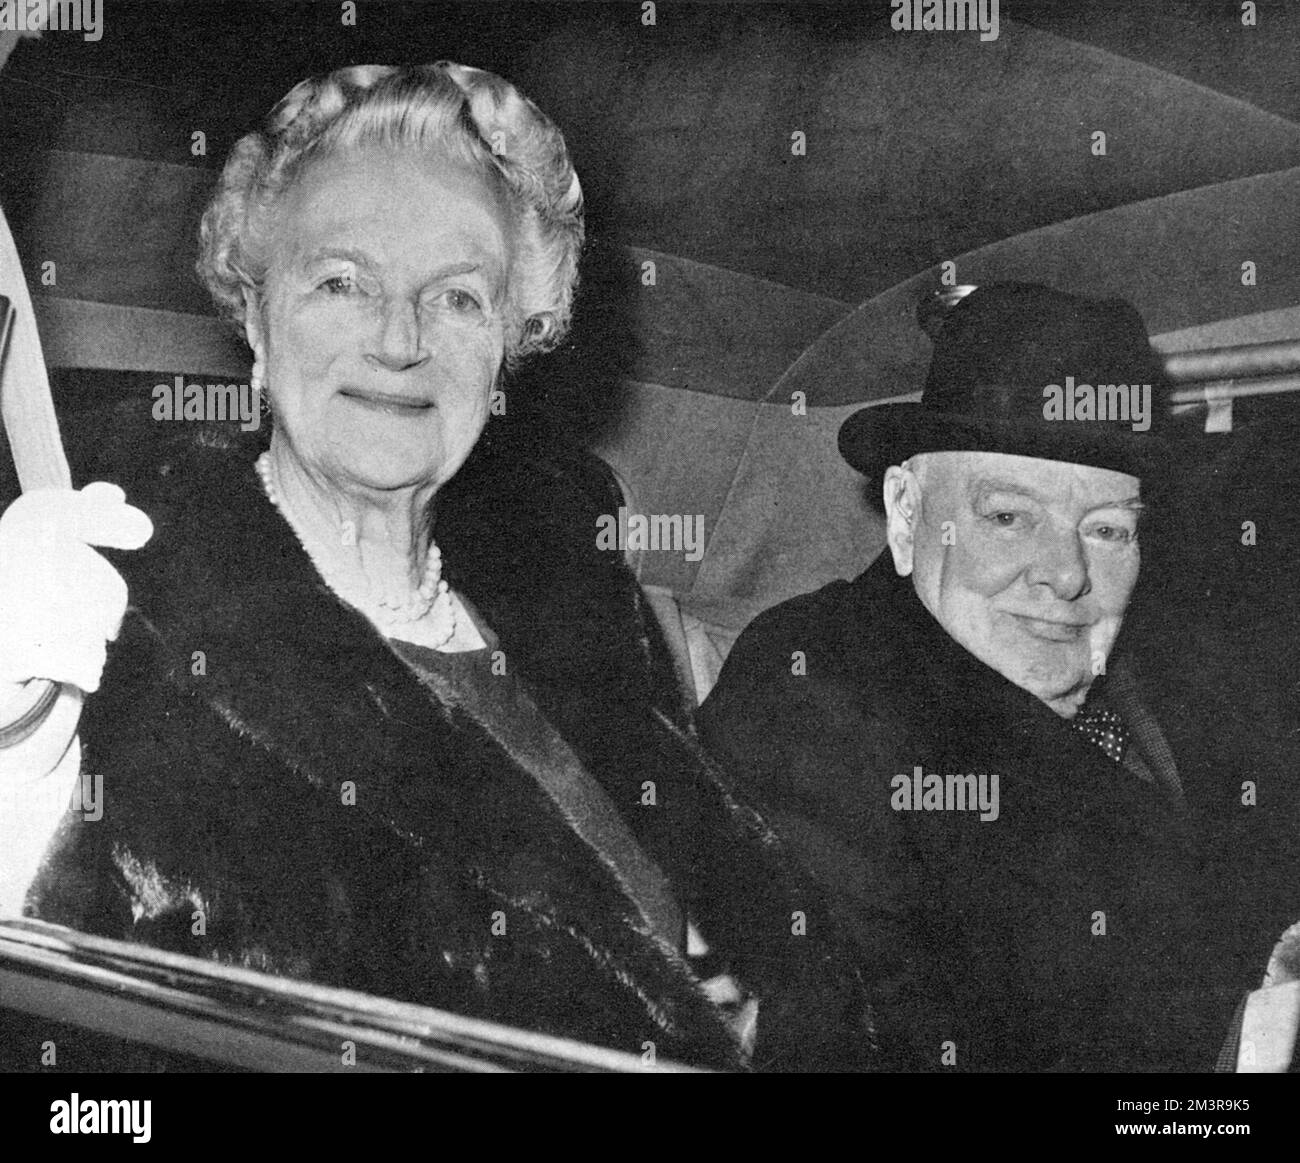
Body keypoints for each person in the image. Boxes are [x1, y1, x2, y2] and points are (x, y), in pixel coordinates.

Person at [0, 63, 871, 1071]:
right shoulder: (116, 618)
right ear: (255, 319)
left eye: (457, 297)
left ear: (510, 342)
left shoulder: (577, 611)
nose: (401, 338)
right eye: (341, 281)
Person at [697, 282, 1300, 1072]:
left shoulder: (1169, 677)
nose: (1068, 575)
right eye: (1010, 516)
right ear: (909, 513)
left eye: (1109, 529)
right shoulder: (817, 688)